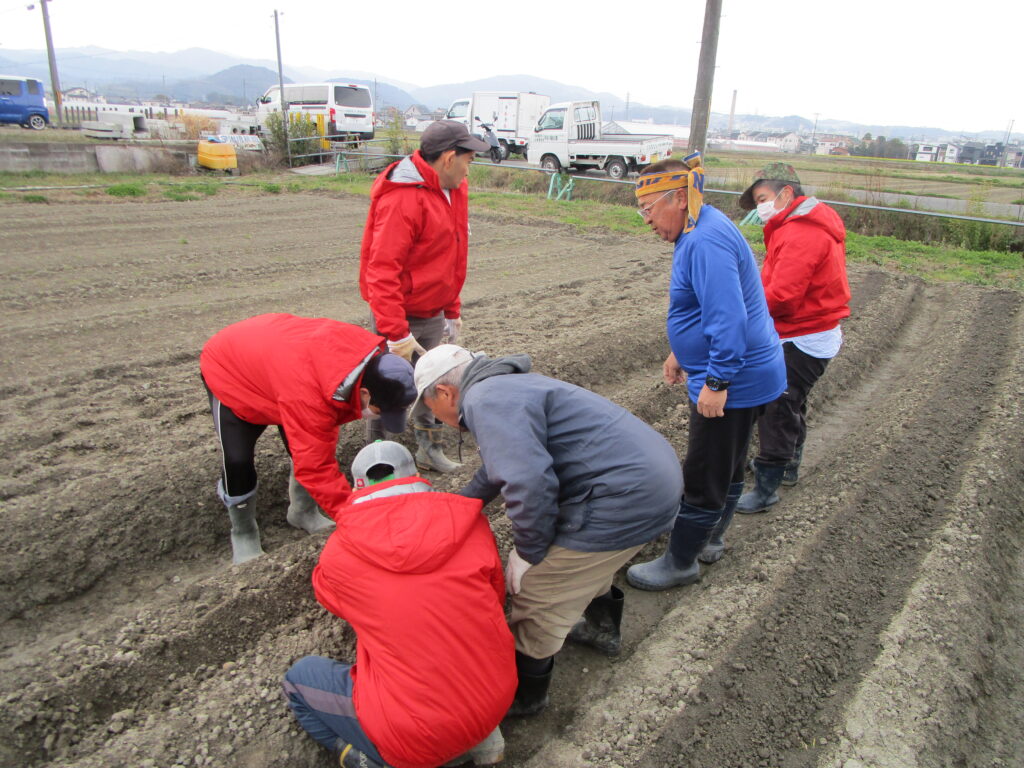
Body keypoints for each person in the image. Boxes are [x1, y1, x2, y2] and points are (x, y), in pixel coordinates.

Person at [414, 344, 683, 716]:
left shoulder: (484, 400)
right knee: (582, 565)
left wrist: (528, 553)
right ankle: (602, 630)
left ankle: (526, 698)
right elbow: (500, 465)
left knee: (540, 586)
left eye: (431, 409)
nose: (437, 417)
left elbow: (529, 483)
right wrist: (457, 507)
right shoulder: (505, 387)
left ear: (445, 393)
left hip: (626, 496)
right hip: (650, 479)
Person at [282, 441, 515, 768]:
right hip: (498, 696)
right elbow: (495, 596)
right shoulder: (471, 525)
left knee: (298, 678)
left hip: (415, 734)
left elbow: (327, 595)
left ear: (357, 488)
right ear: (416, 476)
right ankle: (483, 737)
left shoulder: (340, 552)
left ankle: (368, 760)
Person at [625, 153, 787, 592]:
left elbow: (729, 319)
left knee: (704, 472)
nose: (646, 220)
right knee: (728, 465)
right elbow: (706, 306)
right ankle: (711, 539)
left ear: (680, 198)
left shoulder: (703, 241)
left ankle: (681, 562)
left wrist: (717, 381)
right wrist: (681, 352)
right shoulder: (704, 225)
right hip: (748, 372)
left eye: (648, 208)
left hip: (737, 379)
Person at [200, 313, 415, 565]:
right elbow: (315, 467)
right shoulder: (310, 394)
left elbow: (316, 444)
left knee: (304, 445)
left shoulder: (363, 364)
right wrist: (357, 521)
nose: (377, 416)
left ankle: (302, 511)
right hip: (231, 367)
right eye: (380, 410)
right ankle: (244, 532)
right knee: (238, 459)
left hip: (281, 369)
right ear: (365, 393)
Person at [359, 119, 489, 474]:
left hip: (434, 308)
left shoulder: (455, 189)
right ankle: (379, 461)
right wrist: (396, 332)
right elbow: (381, 270)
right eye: (468, 160)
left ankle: (429, 450)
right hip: (399, 312)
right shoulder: (402, 198)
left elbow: (453, 252)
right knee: (388, 387)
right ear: (448, 158)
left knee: (434, 381)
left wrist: (451, 308)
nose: (469, 168)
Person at [735, 163, 851, 512]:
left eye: (762, 199)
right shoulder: (793, 226)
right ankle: (787, 467)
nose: (760, 208)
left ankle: (767, 487)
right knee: (792, 401)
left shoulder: (802, 233)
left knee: (777, 406)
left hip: (803, 335)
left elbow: (783, 296)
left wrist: (742, 310)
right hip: (806, 331)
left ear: (786, 193)